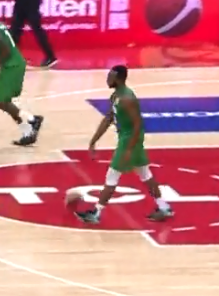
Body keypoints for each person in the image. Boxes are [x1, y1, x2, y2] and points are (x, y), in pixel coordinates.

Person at [74, 66, 174, 224]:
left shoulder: (127, 98)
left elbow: (138, 124)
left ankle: (96, 213)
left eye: (111, 76)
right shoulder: (116, 96)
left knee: (112, 175)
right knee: (145, 175)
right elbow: (108, 118)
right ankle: (164, 207)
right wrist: (94, 140)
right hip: (127, 138)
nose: (108, 79)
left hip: (130, 139)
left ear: (119, 79)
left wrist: (128, 149)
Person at [0, 9, 43, 147]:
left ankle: (32, 119)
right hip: (14, 64)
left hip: (12, 66)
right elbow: (6, 46)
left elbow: (6, 49)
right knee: (4, 102)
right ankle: (27, 133)